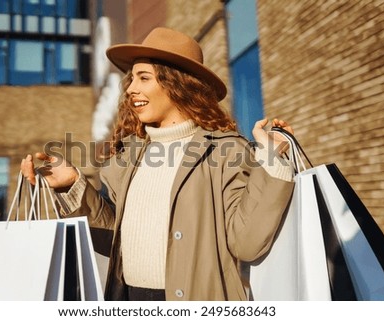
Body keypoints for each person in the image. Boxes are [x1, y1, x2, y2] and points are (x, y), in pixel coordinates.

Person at [21, 27, 295, 301]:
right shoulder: (128, 155)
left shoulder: (225, 150)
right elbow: (112, 239)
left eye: (143, 78)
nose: (130, 89)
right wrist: (74, 185)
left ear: (176, 84)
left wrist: (270, 160)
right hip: (127, 298)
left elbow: (247, 243)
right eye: (131, 79)